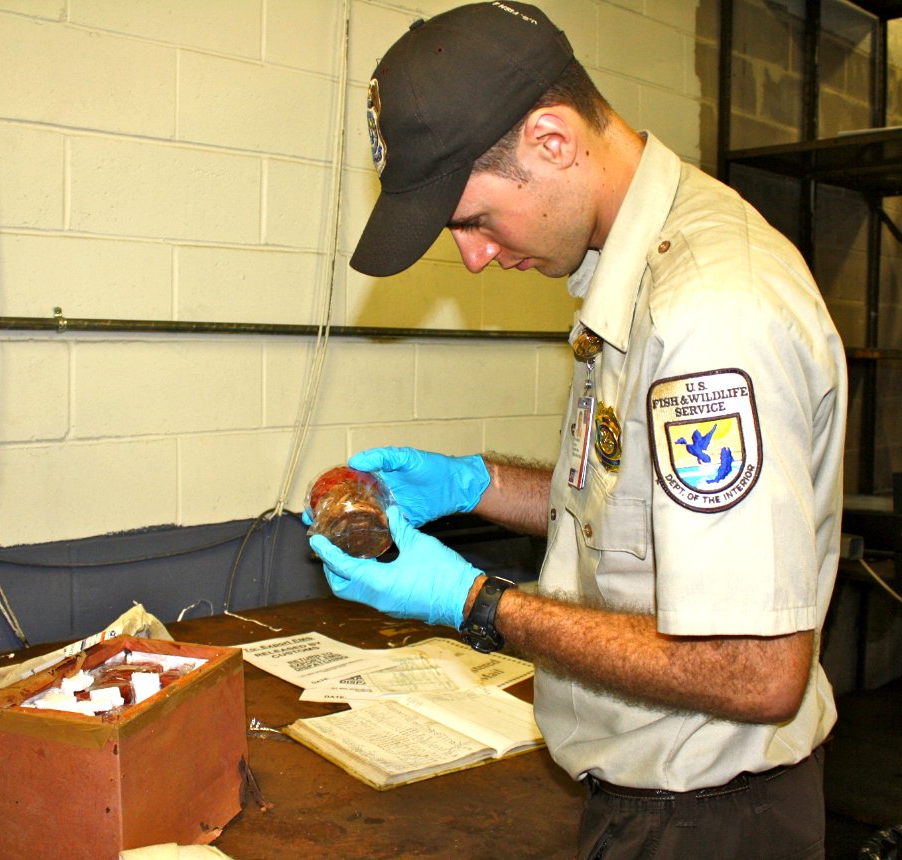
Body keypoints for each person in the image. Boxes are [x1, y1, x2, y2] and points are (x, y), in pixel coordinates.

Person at [308, 3, 848, 857]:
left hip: (711, 822)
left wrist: (477, 604)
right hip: (657, 799)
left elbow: (755, 669)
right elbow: (629, 504)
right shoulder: (633, 270)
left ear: (552, 142)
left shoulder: (711, 312)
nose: (474, 258)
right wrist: (475, 482)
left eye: (473, 219)